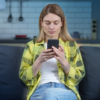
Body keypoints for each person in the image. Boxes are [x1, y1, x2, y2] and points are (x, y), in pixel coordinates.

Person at [19, 4, 85, 100]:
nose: (51, 27)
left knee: (50, 93)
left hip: (65, 91)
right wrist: (39, 61)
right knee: (48, 94)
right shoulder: (31, 45)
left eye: (56, 23)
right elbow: (24, 77)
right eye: (47, 23)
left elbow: (78, 77)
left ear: (62, 23)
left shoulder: (71, 45)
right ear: (41, 22)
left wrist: (64, 62)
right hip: (39, 92)